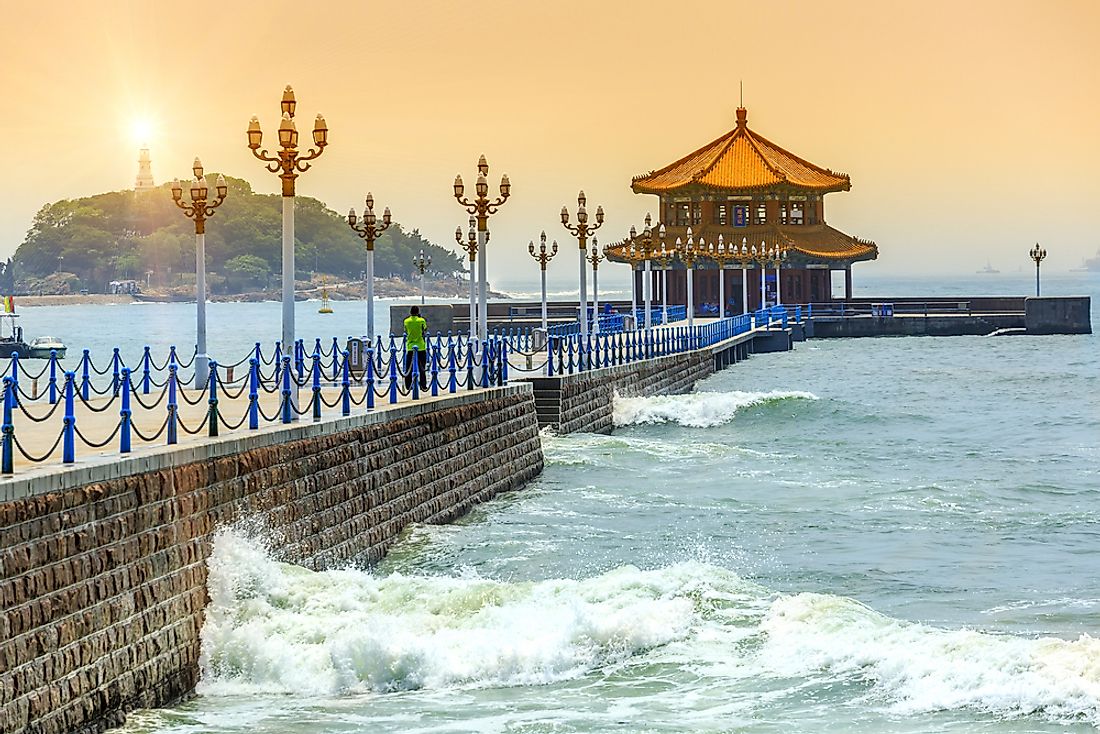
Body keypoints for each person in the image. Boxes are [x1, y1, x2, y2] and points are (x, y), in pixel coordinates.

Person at [403, 305, 429, 391]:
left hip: (410, 346)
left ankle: (408, 385)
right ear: (418, 312)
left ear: (410, 312)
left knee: (409, 368)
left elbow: (406, 330)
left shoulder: (406, 321)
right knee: (422, 367)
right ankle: (423, 385)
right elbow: (424, 329)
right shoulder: (421, 320)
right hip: (421, 346)